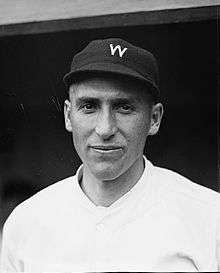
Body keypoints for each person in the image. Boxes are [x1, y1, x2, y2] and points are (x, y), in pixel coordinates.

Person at [0, 38, 220, 272]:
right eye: (88, 106)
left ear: (154, 119)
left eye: (124, 107)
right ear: (67, 115)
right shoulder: (26, 222)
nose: (105, 129)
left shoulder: (209, 217)